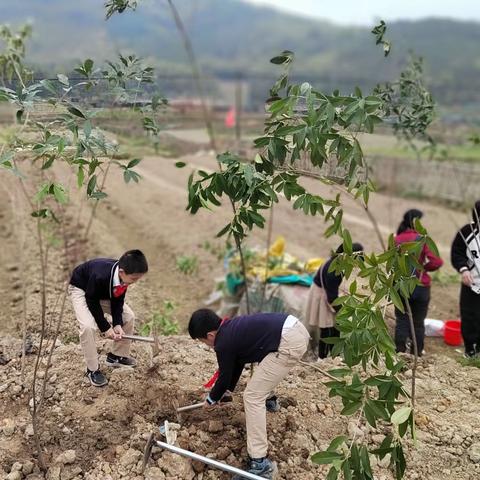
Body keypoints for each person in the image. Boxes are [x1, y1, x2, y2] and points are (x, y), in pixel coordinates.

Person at [188, 309, 310, 479]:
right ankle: (270, 401)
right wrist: (226, 391)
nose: (206, 345)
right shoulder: (230, 329)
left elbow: (223, 378)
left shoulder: (223, 342)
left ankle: (260, 463)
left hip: (288, 341)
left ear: (209, 335)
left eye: (203, 342)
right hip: (293, 328)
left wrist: (212, 398)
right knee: (262, 369)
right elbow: (236, 364)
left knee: (252, 396)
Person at [69, 249, 148, 386]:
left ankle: (116, 356)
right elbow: (91, 300)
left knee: (128, 316)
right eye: (134, 278)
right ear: (122, 272)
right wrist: (105, 327)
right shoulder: (100, 275)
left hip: (101, 293)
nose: (135, 282)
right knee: (88, 326)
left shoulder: (123, 278)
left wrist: (117, 324)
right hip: (82, 290)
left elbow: (118, 301)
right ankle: (92, 370)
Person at [394, 209, 443, 355]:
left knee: (402, 320)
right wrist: (423, 268)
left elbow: (392, 263)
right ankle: (417, 353)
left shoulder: (397, 239)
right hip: (421, 286)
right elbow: (437, 261)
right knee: (418, 323)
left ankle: (400, 352)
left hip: (402, 285)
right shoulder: (421, 239)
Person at [305, 242, 364, 359]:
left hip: (327, 292)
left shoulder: (338, 262)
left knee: (332, 328)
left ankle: (333, 356)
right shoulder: (333, 270)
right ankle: (324, 358)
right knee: (327, 329)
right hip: (323, 295)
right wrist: (343, 312)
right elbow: (332, 298)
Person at [451, 200, 480, 357]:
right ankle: (471, 350)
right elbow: (457, 252)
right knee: (470, 317)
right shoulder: (467, 232)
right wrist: (464, 270)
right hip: (472, 284)